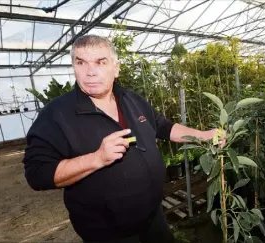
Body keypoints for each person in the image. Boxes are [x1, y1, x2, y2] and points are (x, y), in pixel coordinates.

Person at [23, 34, 223, 243]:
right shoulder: (57, 115)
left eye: (101, 62)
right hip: (108, 232)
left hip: (153, 218)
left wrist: (203, 136)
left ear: (116, 68)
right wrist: (97, 159)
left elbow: (163, 127)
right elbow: (37, 173)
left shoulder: (130, 99)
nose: (90, 72)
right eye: (81, 62)